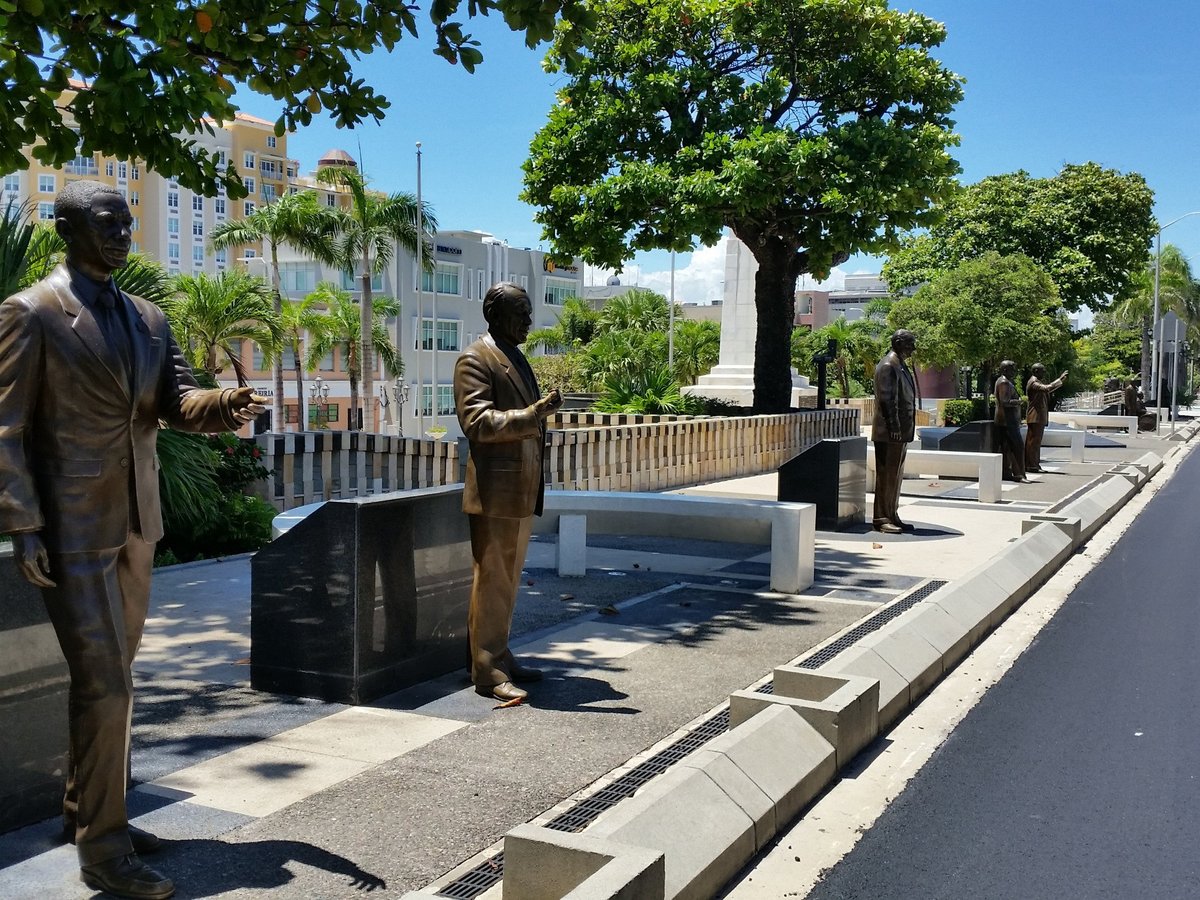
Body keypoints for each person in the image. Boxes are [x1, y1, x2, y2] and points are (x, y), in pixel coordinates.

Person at [0, 181, 264, 900]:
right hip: (72, 528)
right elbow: (6, 430)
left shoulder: (148, 317)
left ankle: (87, 812)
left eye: (126, 223)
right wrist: (23, 525)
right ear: (66, 228)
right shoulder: (31, 312)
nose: (120, 234)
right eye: (105, 223)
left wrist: (228, 404)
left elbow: (176, 402)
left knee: (113, 682)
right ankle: (104, 853)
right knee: (106, 682)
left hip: (136, 523)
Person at [453, 282, 563, 703]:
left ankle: (498, 654)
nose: (529, 321)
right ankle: (487, 670)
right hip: (495, 491)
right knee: (493, 580)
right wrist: (534, 413)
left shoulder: (513, 356)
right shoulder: (474, 359)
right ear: (494, 314)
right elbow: (478, 423)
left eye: (529, 312)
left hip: (520, 489)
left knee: (508, 582)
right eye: (521, 313)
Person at [871, 330, 918, 534]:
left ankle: (892, 513)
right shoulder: (889, 366)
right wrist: (895, 427)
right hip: (890, 432)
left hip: (900, 433)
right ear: (898, 343)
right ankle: (882, 518)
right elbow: (887, 400)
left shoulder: (900, 364)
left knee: (895, 476)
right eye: (910, 344)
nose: (913, 348)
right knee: (886, 475)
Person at [1024, 364, 1067, 473]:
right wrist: (1059, 379)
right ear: (1036, 371)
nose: (1044, 373)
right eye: (1043, 371)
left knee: (1036, 442)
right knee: (1033, 442)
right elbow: (1047, 388)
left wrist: (1059, 382)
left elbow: (1047, 390)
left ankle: (1034, 464)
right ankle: (1031, 465)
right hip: (1035, 416)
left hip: (1038, 416)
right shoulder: (1034, 382)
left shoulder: (1037, 382)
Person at [993, 360, 1027, 482]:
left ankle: (1007, 473)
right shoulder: (1004, 382)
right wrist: (1019, 401)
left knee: (1006, 448)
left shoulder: (1004, 381)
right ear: (1005, 370)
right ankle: (1019, 474)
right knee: (1017, 447)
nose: (1015, 371)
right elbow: (1005, 402)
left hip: (1005, 421)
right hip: (1007, 421)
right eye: (1012, 369)